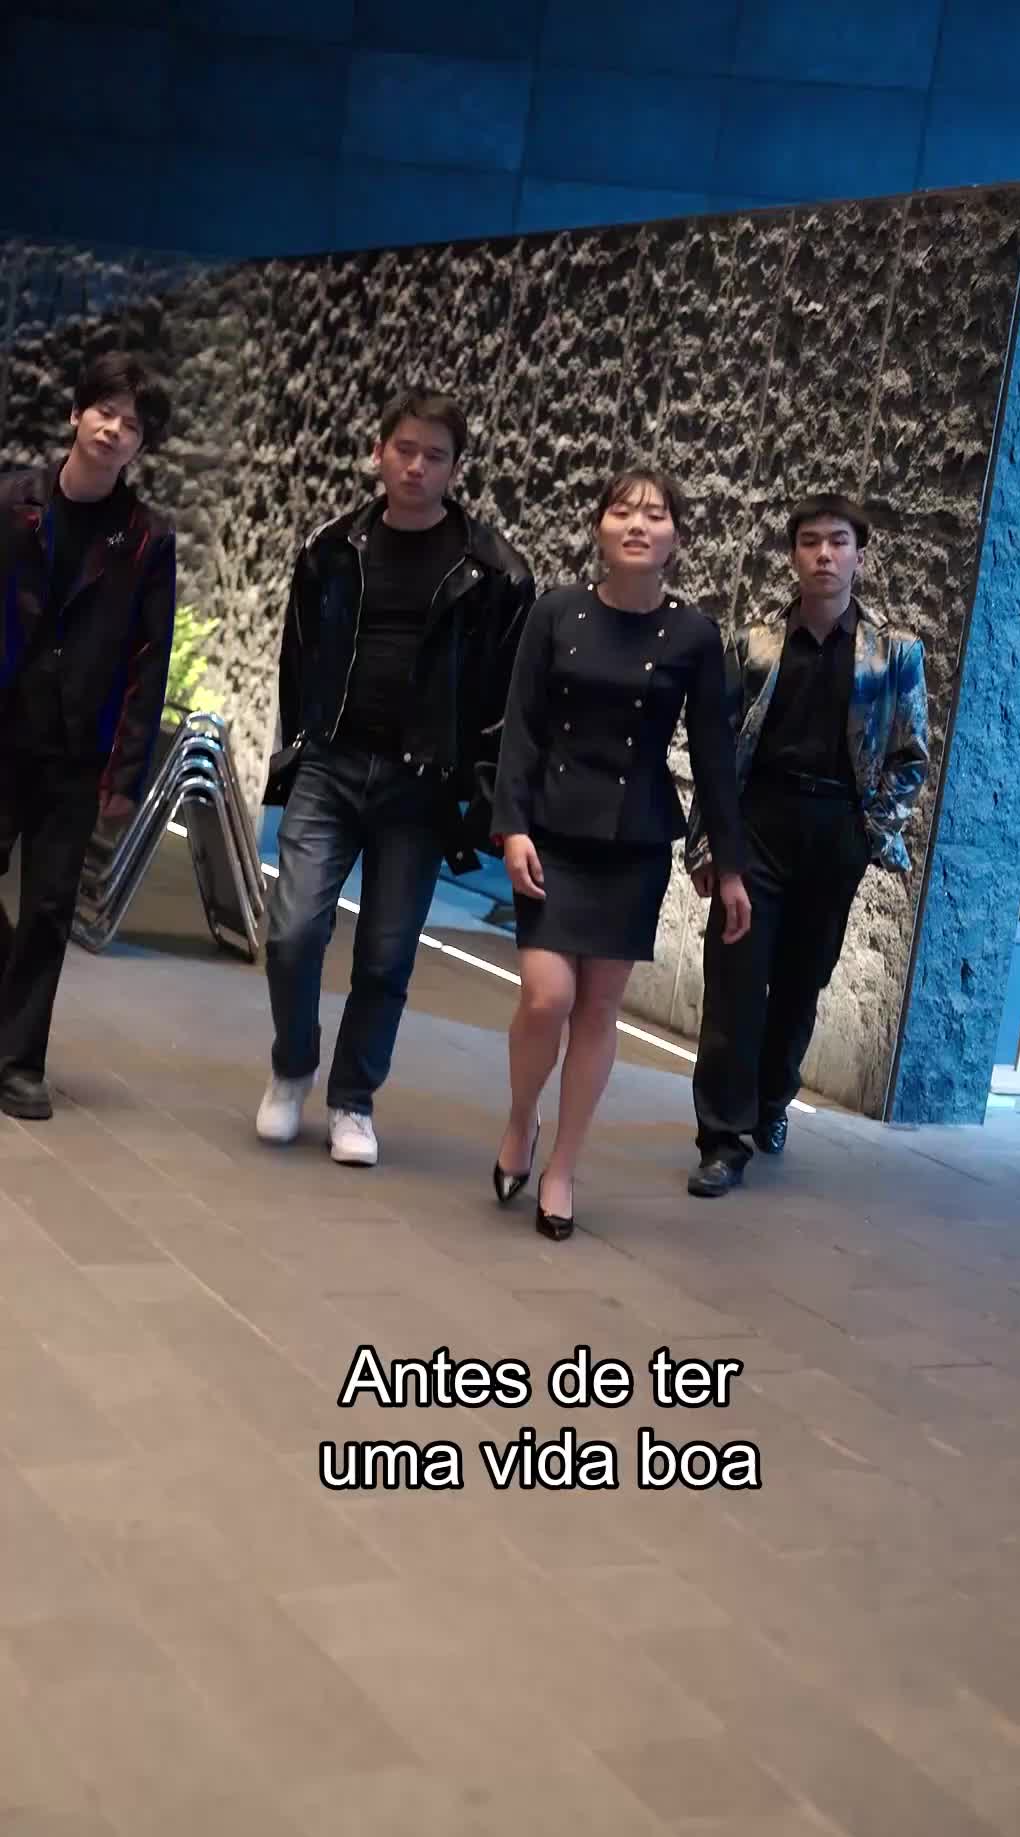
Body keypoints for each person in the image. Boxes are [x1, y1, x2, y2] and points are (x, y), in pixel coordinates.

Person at [257, 386, 534, 1165]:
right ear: (379, 453)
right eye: (404, 450)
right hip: (331, 763)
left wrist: (475, 787)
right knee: (292, 931)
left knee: (385, 954)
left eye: (434, 456)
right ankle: (292, 1067)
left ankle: (353, 1100)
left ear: (456, 468)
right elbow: (298, 655)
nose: (416, 467)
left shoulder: (495, 571)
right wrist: (302, 740)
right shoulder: (330, 548)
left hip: (422, 784)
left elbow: (503, 693)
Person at [491, 467, 751, 1240]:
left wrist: (730, 866)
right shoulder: (556, 612)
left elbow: (713, 754)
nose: (638, 524)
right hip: (552, 829)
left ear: (676, 538)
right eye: (623, 511)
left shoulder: (694, 635)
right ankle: (520, 1120)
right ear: (599, 527)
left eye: (656, 514)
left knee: (598, 1009)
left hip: (634, 840)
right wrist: (511, 827)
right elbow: (521, 726)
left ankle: (563, 1169)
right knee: (546, 998)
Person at [684, 493, 929, 1197]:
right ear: (793, 555)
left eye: (838, 542)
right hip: (757, 824)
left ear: (860, 556)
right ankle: (722, 1139)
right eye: (811, 542)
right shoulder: (755, 644)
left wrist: (868, 832)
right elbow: (716, 752)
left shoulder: (894, 653)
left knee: (800, 985)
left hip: (835, 831)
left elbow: (910, 757)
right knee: (734, 983)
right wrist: (708, 847)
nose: (825, 555)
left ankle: (771, 1101)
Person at [0, 351, 175, 1120]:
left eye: (131, 425)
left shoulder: (147, 537)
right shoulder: (12, 503)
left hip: (77, 750)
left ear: (141, 445)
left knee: (49, 906)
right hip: (5, 727)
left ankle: (18, 1062)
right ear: (76, 414)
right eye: (105, 411)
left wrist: (127, 772)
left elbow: (150, 655)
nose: (113, 430)